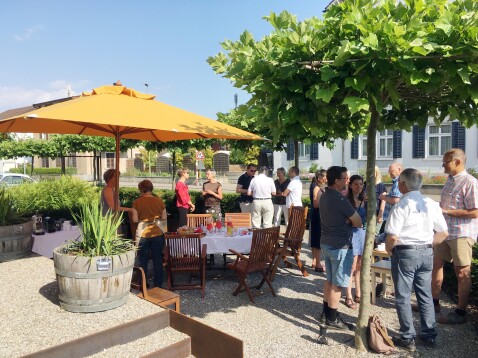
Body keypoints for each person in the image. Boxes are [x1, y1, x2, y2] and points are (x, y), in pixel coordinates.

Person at [385, 168, 448, 351]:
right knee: (425, 295)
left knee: (403, 296)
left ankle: (407, 337)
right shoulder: (430, 203)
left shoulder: (401, 206)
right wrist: (429, 244)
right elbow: (443, 232)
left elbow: (392, 237)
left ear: (402, 184)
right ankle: (429, 335)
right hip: (426, 252)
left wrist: (390, 251)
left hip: (405, 252)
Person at [432, 148, 478, 324]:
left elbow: (475, 212)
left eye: (446, 162)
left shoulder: (470, 182)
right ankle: (433, 303)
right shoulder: (449, 180)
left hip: (461, 233)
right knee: (436, 265)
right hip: (445, 231)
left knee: (462, 273)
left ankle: (460, 313)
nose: (443, 165)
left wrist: (447, 211)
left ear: (457, 162)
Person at [319, 166, 362, 330]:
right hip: (340, 245)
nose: (348, 181)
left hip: (326, 242)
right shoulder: (341, 199)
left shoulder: (324, 195)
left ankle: (325, 312)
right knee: (337, 284)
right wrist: (348, 220)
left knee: (329, 280)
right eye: (345, 179)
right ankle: (332, 317)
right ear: (337, 181)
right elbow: (358, 221)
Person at [132, 180, 167, 288]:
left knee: (142, 260)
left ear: (142, 189)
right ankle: (158, 285)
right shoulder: (160, 201)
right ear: (151, 189)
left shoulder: (136, 202)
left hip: (143, 234)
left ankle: (143, 284)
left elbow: (134, 219)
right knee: (158, 259)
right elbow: (164, 217)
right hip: (157, 232)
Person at [344, 175, 366, 310]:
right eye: (356, 184)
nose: (359, 186)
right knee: (351, 267)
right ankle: (348, 295)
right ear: (350, 185)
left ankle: (358, 292)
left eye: (361, 184)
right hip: (351, 234)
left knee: (359, 265)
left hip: (361, 234)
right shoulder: (346, 201)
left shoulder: (365, 200)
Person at [309, 169, 327, 272]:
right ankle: (318, 263)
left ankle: (315, 261)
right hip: (317, 215)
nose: (326, 179)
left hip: (316, 215)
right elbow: (316, 204)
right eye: (325, 177)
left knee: (315, 238)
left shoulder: (316, 186)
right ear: (320, 178)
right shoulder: (316, 187)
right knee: (317, 239)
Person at [378, 163, 403, 234]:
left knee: (383, 238)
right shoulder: (397, 181)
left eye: (391, 170)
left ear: (399, 170)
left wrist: (383, 197)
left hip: (392, 218)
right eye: (389, 171)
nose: (389, 173)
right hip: (391, 217)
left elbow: (396, 200)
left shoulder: (398, 182)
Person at [374, 166, 387, 234]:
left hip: (377, 212)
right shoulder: (365, 183)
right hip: (367, 214)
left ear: (376, 173)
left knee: (376, 233)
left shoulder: (380, 185)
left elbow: (383, 200)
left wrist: (380, 215)